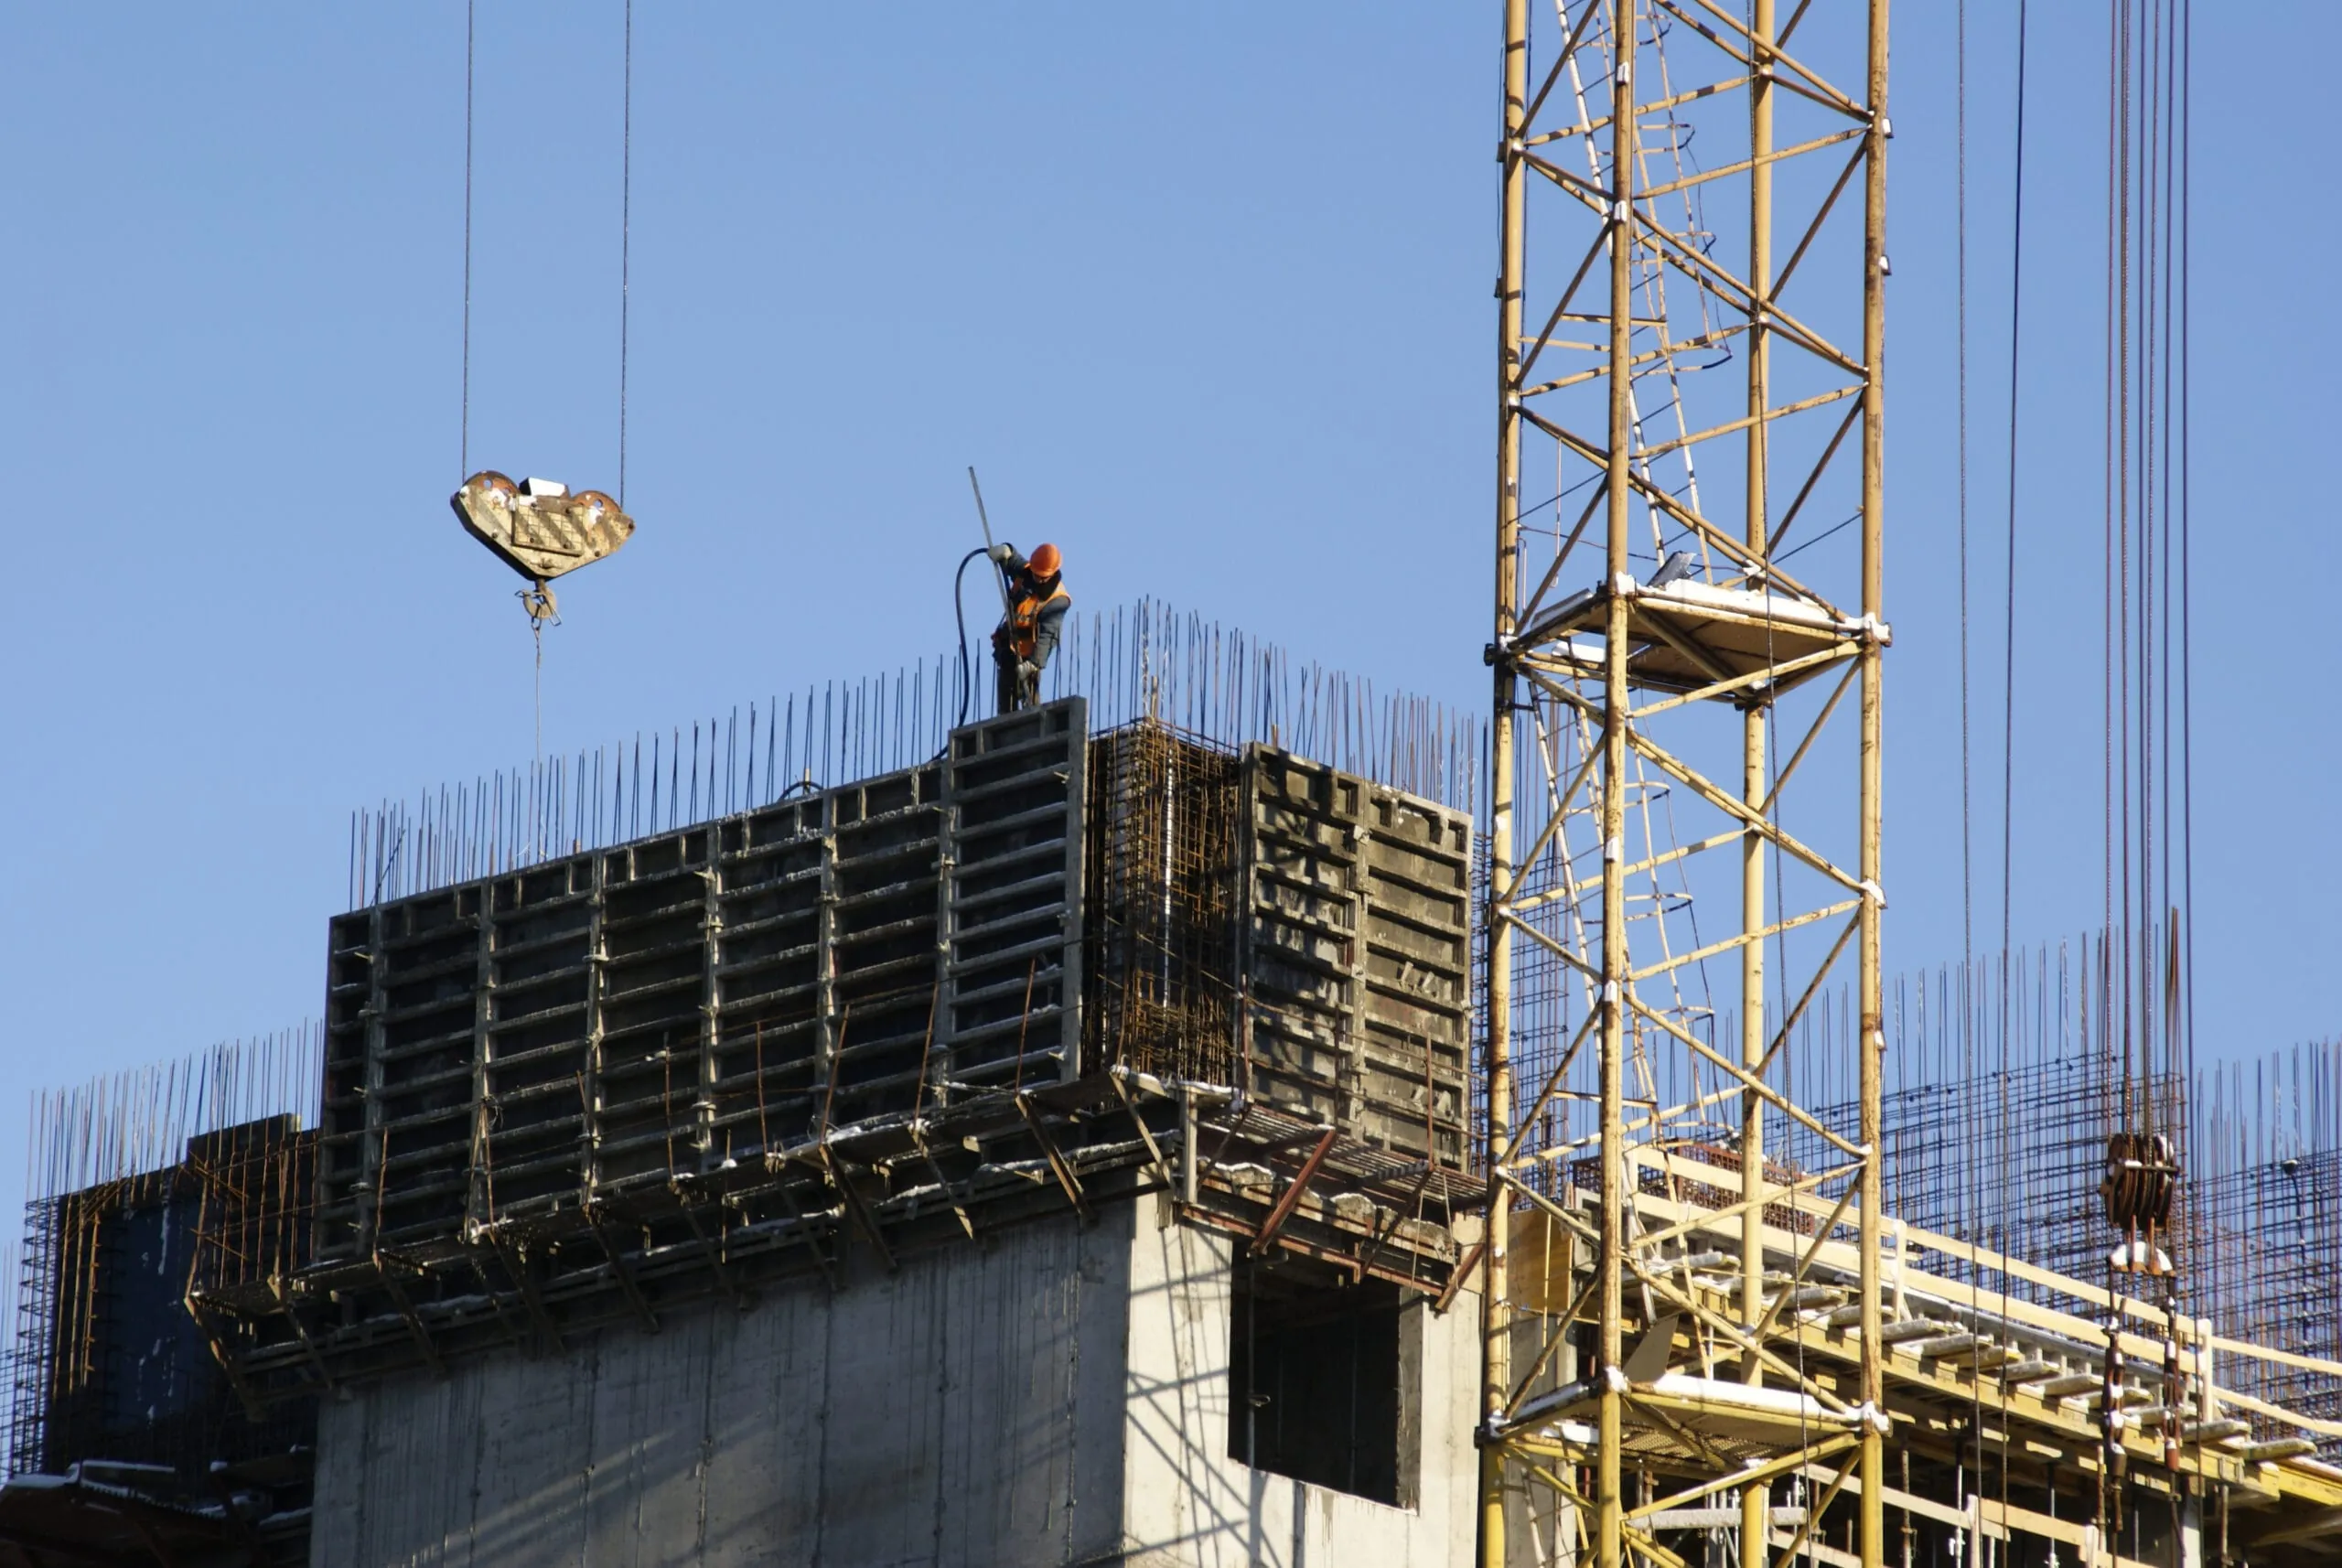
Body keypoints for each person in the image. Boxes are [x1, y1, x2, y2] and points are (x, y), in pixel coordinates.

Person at [988, 541, 1070, 714]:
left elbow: (1048, 635)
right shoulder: (1028, 572)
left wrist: (1034, 664)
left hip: (1029, 656)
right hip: (1010, 649)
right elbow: (1014, 560)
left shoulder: (1058, 599)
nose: (1036, 578)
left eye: (1041, 577)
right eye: (1035, 574)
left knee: (1030, 702)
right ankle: (1004, 729)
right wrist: (1007, 550)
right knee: (1006, 699)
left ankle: (1033, 724)